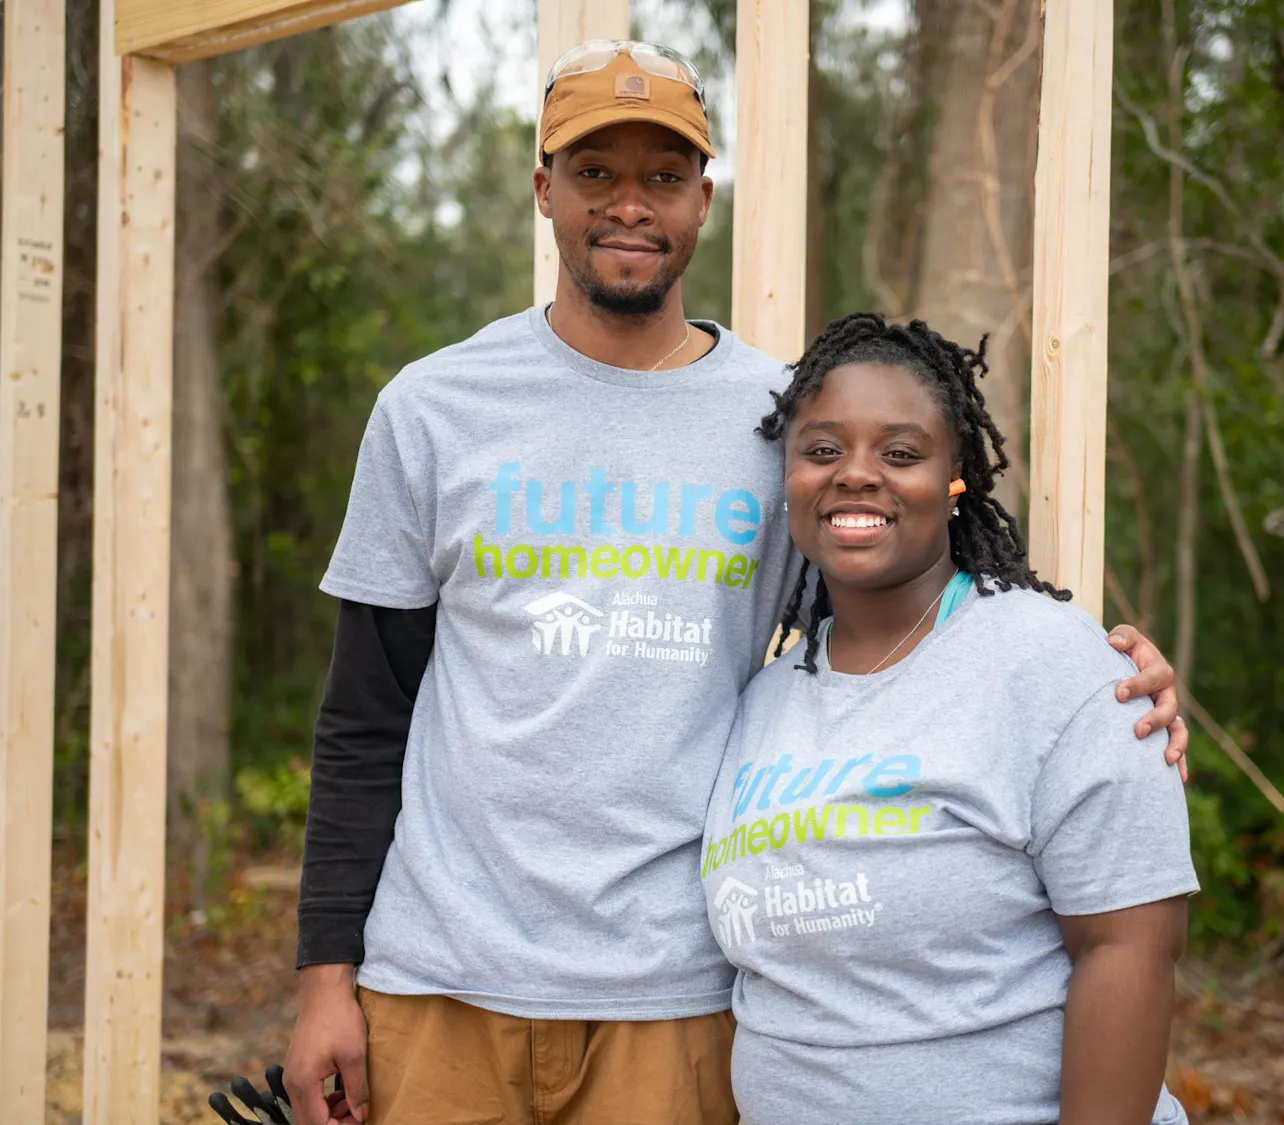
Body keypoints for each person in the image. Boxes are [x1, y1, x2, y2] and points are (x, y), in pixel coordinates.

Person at [283, 40, 1189, 1125]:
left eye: (663, 176)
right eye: (594, 173)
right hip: (437, 982)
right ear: (543, 190)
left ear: (702, 200)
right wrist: (326, 978)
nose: (629, 206)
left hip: (679, 994)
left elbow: (897, 610)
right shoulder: (434, 409)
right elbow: (365, 714)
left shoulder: (780, 422)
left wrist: (1100, 677)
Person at [698, 313, 1199, 1124]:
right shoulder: (765, 699)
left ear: (955, 474)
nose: (857, 474)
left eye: (900, 453)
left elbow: (1130, 947)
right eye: (822, 450)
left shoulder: (1054, 663)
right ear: (786, 476)